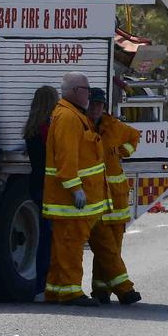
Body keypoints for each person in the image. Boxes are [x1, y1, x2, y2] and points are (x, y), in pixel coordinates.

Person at [42, 72, 108, 306]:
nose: (90, 95)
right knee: (71, 247)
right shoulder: (69, 118)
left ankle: (55, 290)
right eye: (87, 90)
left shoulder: (72, 115)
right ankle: (70, 292)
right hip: (70, 202)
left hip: (68, 201)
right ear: (74, 91)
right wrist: (75, 189)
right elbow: (66, 158)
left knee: (63, 246)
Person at [86, 88, 143, 305]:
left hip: (116, 200)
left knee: (112, 248)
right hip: (97, 199)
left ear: (104, 107)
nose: (95, 108)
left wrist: (124, 150)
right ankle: (125, 290)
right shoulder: (82, 125)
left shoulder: (114, 126)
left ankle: (101, 290)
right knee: (106, 248)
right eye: (92, 104)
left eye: (99, 105)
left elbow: (134, 136)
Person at [23, 85, 59, 301]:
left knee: (45, 236)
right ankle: (44, 286)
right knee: (50, 238)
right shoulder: (48, 129)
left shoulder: (31, 128)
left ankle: (41, 287)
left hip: (36, 183)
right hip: (49, 186)